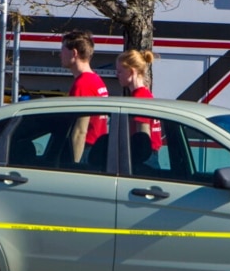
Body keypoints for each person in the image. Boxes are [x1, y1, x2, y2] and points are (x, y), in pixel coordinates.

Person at [61, 30, 109, 163]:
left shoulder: (83, 84)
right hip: (97, 149)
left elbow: (80, 131)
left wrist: (74, 164)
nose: (60, 54)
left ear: (74, 53)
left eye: (63, 50)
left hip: (85, 151)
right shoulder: (96, 80)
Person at [116, 49, 162, 168]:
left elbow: (143, 135)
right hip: (152, 155)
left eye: (120, 71)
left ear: (131, 72)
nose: (117, 75)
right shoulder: (146, 94)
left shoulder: (139, 98)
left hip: (145, 158)